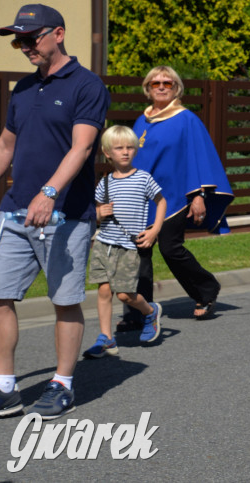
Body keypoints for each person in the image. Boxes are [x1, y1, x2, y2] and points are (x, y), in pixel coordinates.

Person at [0, 3, 110, 419]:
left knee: (64, 301)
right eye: (18, 41)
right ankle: (4, 387)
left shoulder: (87, 85)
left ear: (58, 34)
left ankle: (62, 384)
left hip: (66, 214)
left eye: (31, 38)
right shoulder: (24, 88)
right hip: (14, 213)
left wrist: (49, 192)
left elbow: (82, 146)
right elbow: (5, 145)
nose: (25, 46)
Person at [129, 66, 233, 324]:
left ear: (177, 88)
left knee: (170, 248)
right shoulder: (141, 121)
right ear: (147, 88)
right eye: (155, 83)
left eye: (168, 83)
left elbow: (199, 157)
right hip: (143, 199)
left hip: (174, 197)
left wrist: (198, 197)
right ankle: (140, 311)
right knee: (139, 252)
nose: (161, 87)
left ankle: (206, 289)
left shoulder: (187, 119)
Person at [84, 126, 167, 358]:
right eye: (119, 148)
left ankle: (150, 311)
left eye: (130, 147)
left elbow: (161, 202)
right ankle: (106, 338)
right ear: (107, 153)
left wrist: (155, 230)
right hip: (104, 244)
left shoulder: (143, 178)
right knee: (103, 291)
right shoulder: (105, 183)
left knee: (124, 295)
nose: (125, 152)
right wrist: (99, 213)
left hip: (128, 247)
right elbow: (96, 211)